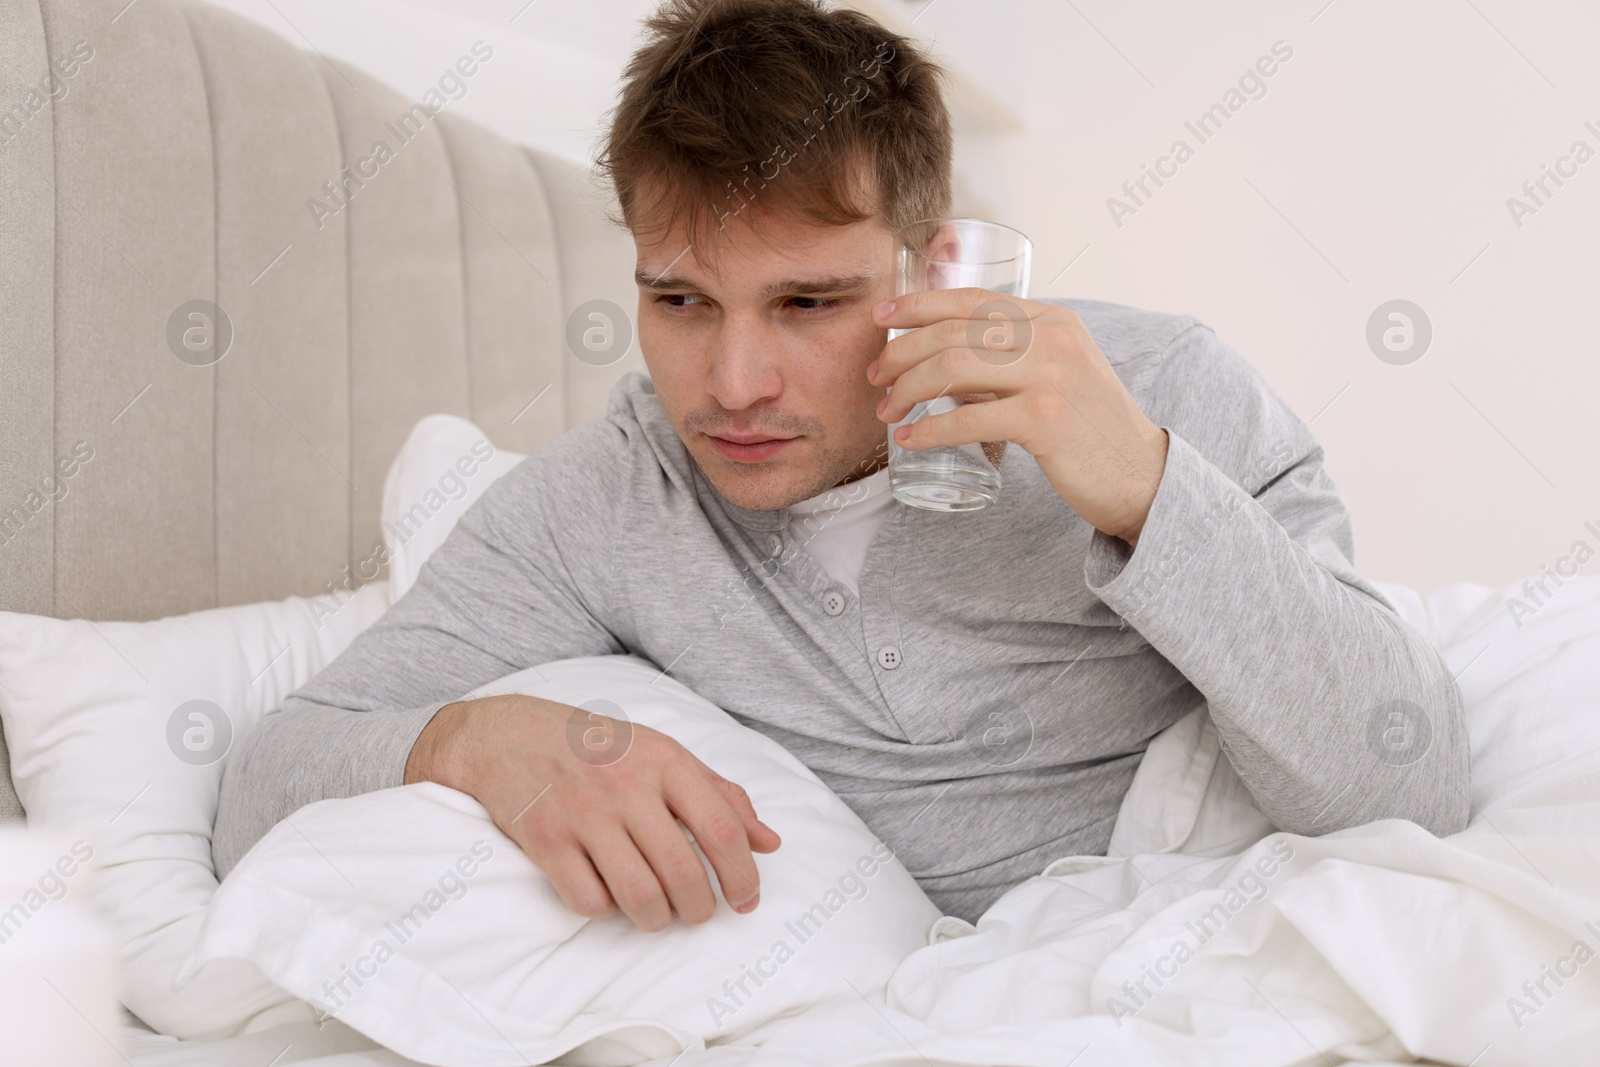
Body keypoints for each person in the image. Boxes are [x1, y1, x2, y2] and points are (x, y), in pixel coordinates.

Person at [213, 0, 1469, 928]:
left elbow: (1410, 780)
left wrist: (1143, 488)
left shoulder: (1163, 386)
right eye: (681, 300)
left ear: (934, 267)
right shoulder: (605, 499)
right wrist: (475, 739)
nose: (733, 383)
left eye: (809, 303)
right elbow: (257, 789)